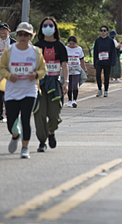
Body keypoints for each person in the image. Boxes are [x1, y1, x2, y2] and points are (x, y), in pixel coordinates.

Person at [0, 22, 46, 159]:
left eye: (26, 34)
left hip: (29, 91)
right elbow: (1, 68)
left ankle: (25, 148)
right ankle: (15, 135)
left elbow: (43, 69)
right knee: (11, 121)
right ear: (16, 35)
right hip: (12, 91)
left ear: (31, 36)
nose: (23, 37)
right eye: (20, 34)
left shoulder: (36, 52)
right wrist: (9, 76)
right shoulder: (9, 51)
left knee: (25, 119)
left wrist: (35, 75)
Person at [34, 17, 68, 153]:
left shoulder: (60, 46)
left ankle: (51, 131)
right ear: (42, 28)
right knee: (39, 114)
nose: (48, 27)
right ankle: (42, 141)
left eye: (50, 25)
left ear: (55, 28)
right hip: (39, 84)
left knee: (55, 115)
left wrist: (66, 82)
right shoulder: (37, 46)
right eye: (45, 25)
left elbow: (65, 65)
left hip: (55, 84)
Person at [0, 22, 15, 123]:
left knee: (9, 92)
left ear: (8, 31)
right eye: (0, 29)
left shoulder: (13, 43)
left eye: (4, 29)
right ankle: (0, 113)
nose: (2, 31)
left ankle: (9, 110)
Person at [93, 25, 118, 97]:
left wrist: (113, 61)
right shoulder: (97, 40)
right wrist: (95, 61)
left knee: (107, 76)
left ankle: (106, 90)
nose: (103, 32)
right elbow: (95, 51)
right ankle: (99, 89)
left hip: (107, 61)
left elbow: (113, 51)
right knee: (98, 75)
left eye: (104, 30)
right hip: (99, 61)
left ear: (107, 32)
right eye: (101, 30)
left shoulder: (110, 40)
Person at [66, 36, 87, 107]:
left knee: (75, 85)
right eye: (70, 44)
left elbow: (82, 59)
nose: (72, 45)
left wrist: (84, 67)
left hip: (76, 69)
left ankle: (74, 100)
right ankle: (69, 100)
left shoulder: (79, 49)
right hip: (68, 69)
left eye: (73, 44)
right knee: (69, 85)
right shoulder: (66, 48)